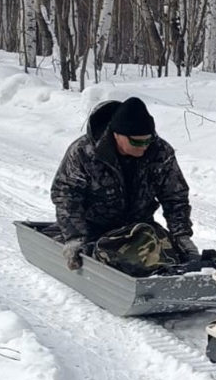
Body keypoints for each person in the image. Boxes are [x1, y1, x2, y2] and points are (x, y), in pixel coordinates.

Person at [51, 97, 199, 274]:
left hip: (138, 228)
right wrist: (75, 237)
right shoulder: (84, 152)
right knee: (120, 262)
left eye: (148, 140)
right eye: (137, 141)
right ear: (117, 134)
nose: (144, 146)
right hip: (94, 231)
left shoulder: (160, 152)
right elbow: (66, 195)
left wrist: (181, 235)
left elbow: (175, 196)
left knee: (167, 258)